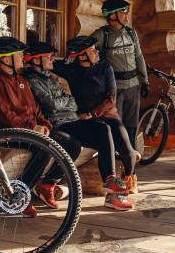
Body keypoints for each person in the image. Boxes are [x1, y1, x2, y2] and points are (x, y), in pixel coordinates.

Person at [23, 40, 133, 211]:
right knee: (77, 142)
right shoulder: (32, 80)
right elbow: (51, 104)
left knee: (103, 128)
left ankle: (110, 179)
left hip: (73, 121)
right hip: (58, 124)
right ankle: (47, 184)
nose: (52, 58)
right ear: (36, 60)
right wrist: (65, 101)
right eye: (49, 56)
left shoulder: (50, 78)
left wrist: (65, 102)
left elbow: (72, 102)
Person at [0, 36, 80, 217]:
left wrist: (44, 124)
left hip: (31, 131)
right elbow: (6, 116)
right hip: (11, 134)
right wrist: (32, 128)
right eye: (19, 55)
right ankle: (20, 196)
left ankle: (47, 184)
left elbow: (36, 109)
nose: (23, 57)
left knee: (72, 144)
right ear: (6, 59)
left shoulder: (21, 80)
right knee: (44, 146)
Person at [55, 35, 139, 195]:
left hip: (108, 115)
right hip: (87, 122)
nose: (97, 52)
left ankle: (130, 176)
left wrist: (92, 113)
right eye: (92, 50)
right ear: (81, 56)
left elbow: (111, 98)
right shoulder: (72, 70)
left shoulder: (105, 68)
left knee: (127, 150)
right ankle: (111, 186)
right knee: (103, 134)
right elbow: (52, 65)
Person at [91, 0, 149, 149]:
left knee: (131, 126)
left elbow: (139, 57)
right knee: (117, 126)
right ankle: (116, 159)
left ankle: (129, 162)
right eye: (124, 11)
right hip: (115, 89)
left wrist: (145, 81)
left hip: (134, 87)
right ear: (112, 15)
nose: (127, 15)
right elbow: (88, 58)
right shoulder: (101, 35)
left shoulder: (131, 33)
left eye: (127, 11)